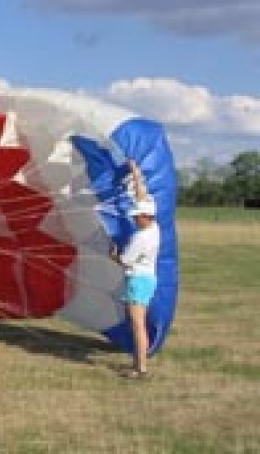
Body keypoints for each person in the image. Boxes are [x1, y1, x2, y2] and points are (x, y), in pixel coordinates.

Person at [110, 159, 160, 379]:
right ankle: (137, 364)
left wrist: (113, 255)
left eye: (137, 217)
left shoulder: (141, 238)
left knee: (138, 325)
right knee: (138, 324)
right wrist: (135, 172)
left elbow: (125, 261)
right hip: (147, 279)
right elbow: (142, 196)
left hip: (138, 280)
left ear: (145, 217)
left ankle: (140, 368)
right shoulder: (155, 228)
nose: (134, 219)